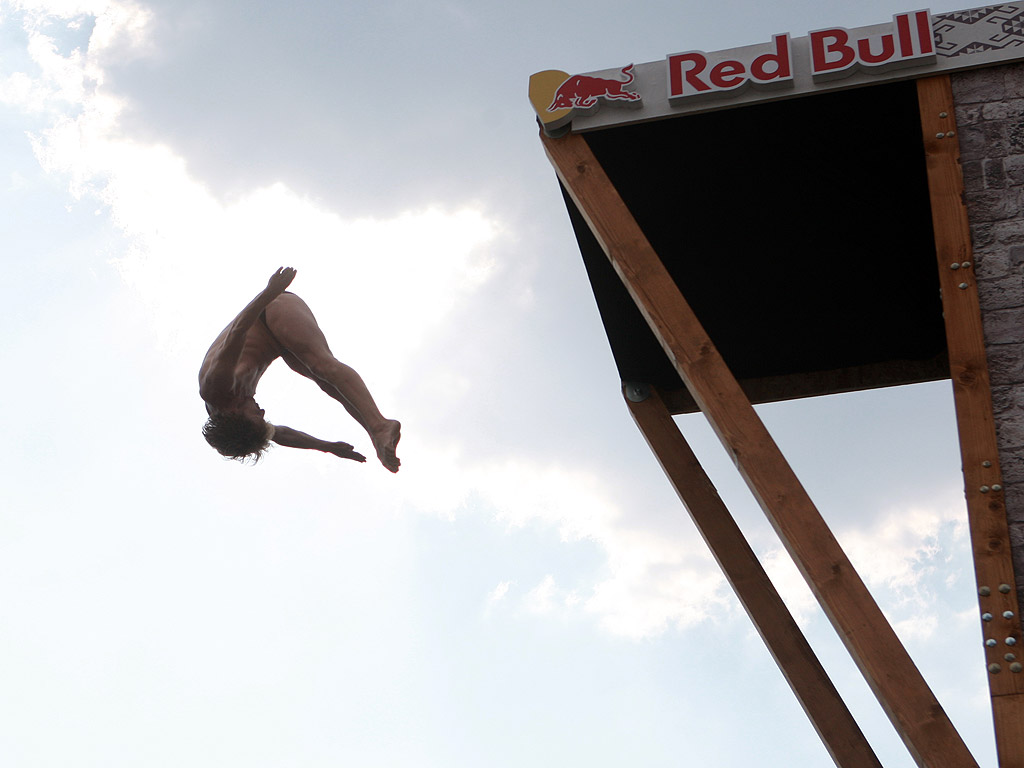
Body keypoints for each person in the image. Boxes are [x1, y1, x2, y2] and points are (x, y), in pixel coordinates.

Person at [199, 267, 401, 472]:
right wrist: (327, 447)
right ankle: (376, 433)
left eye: (257, 415)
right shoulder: (242, 425)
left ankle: (380, 426)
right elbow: (282, 435)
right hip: (277, 344)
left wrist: (270, 291)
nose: (262, 411)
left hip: (270, 309)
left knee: (321, 365)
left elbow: (237, 332)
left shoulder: (215, 385)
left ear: (235, 414)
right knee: (326, 384)